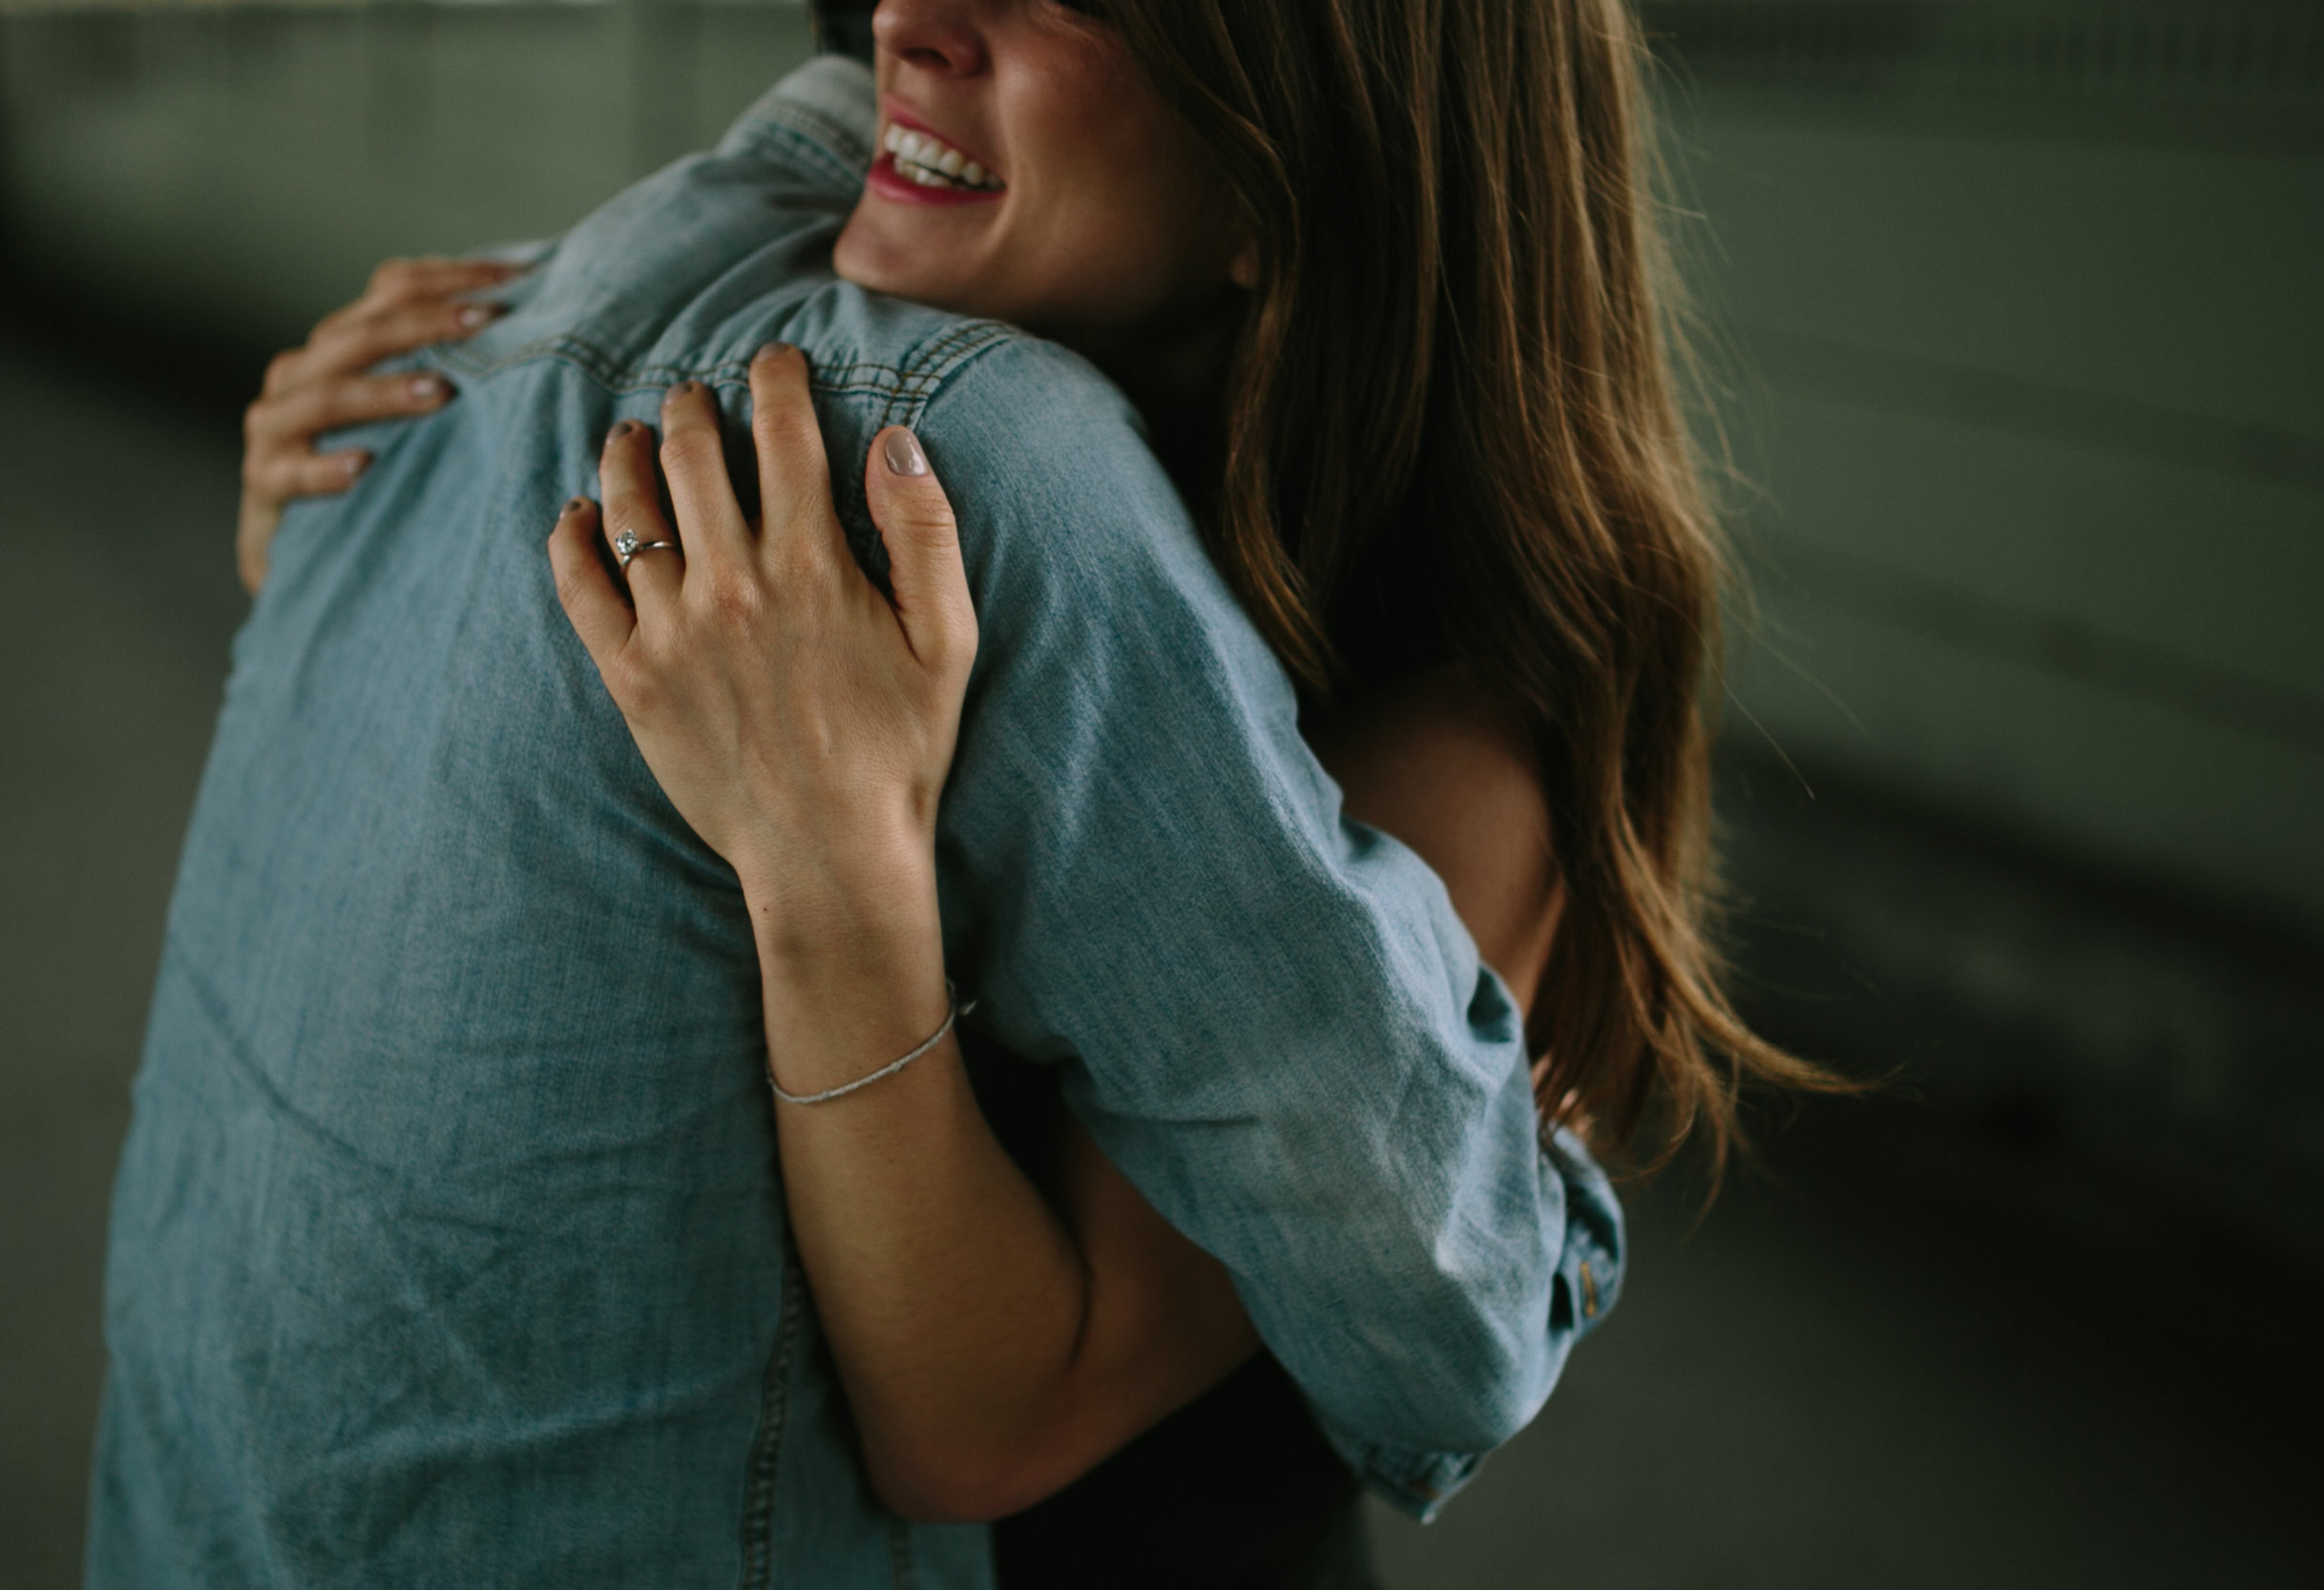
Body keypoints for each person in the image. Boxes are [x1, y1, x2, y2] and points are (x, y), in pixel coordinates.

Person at [90, 20, 1652, 1590]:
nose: (910, 16)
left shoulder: (1449, 744)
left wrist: (832, 867)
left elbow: (979, 1425)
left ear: (1300, 171)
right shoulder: (907, 509)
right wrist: (361, 528)